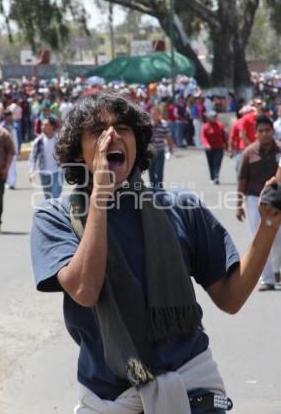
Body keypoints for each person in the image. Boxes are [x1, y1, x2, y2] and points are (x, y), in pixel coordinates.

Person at [30, 92, 281, 414]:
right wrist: (101, 196)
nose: (112, 137)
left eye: (122, 128)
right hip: (109, 397)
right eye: (98, 131)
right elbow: (85, 289)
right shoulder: (54, 216)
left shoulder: (180, 206)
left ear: (138, 142)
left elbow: (230, 298)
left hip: (192, 387)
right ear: (78, 154)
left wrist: (268, 225)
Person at [236, 115, 281, 290]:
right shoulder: (249, 152)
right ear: (255, 133)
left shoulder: (279, 150)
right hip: (255, 199)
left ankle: (277, 269)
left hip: (277, 201)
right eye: (260, 131)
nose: (264, 134)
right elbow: (242, 180)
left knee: (278, 239)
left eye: (267, 130)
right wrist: (238, 205)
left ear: (272, 131)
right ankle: (267, 279)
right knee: (260, 238)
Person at [29, 116, 62, 199]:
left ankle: (55, 211)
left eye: (46, 125)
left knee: (55, 196)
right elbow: (33, 157)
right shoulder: (39, 141)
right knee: (48, 198)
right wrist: (31, 171)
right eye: (42, 125)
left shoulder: (59, 140)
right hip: (44, 173)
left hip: (57, 172)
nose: (43, 127)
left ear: (52, 126)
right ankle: (51, 211)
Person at [148, 106, 173, 188]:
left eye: (155, 114)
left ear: (159, 114)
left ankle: (159, 187)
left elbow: (168, 138)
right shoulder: (147, 124)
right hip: (150, 151)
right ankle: (152, 187)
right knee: (151, 171)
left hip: (160, 150)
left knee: (159, 171)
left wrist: (170, 150)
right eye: (152, 114)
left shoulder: (164, 124)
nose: (154, 115)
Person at [201, 110, 226, 185]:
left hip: (219, 147)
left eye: (215, 117)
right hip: (209, 148)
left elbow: (224, 136)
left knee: (217, 163)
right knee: (211, 163)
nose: (214, 118)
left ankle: (216, 177)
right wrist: (206, 144)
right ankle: (212, 177)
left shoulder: (220, 125)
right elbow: (203, 137)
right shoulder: (205, 126)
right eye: (213, 117)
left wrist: (227, 146)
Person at [1, 109, 22, 189]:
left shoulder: (16, 126)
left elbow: (19, 138)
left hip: (13, 148)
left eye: (10, 116)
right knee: (6, 165)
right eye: (7, 116)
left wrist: (19, 147)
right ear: (5, 117)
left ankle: (12, 183)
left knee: (12, 165)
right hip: (4, 150)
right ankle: (9, 181)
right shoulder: (1, 126)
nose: (8, 118)